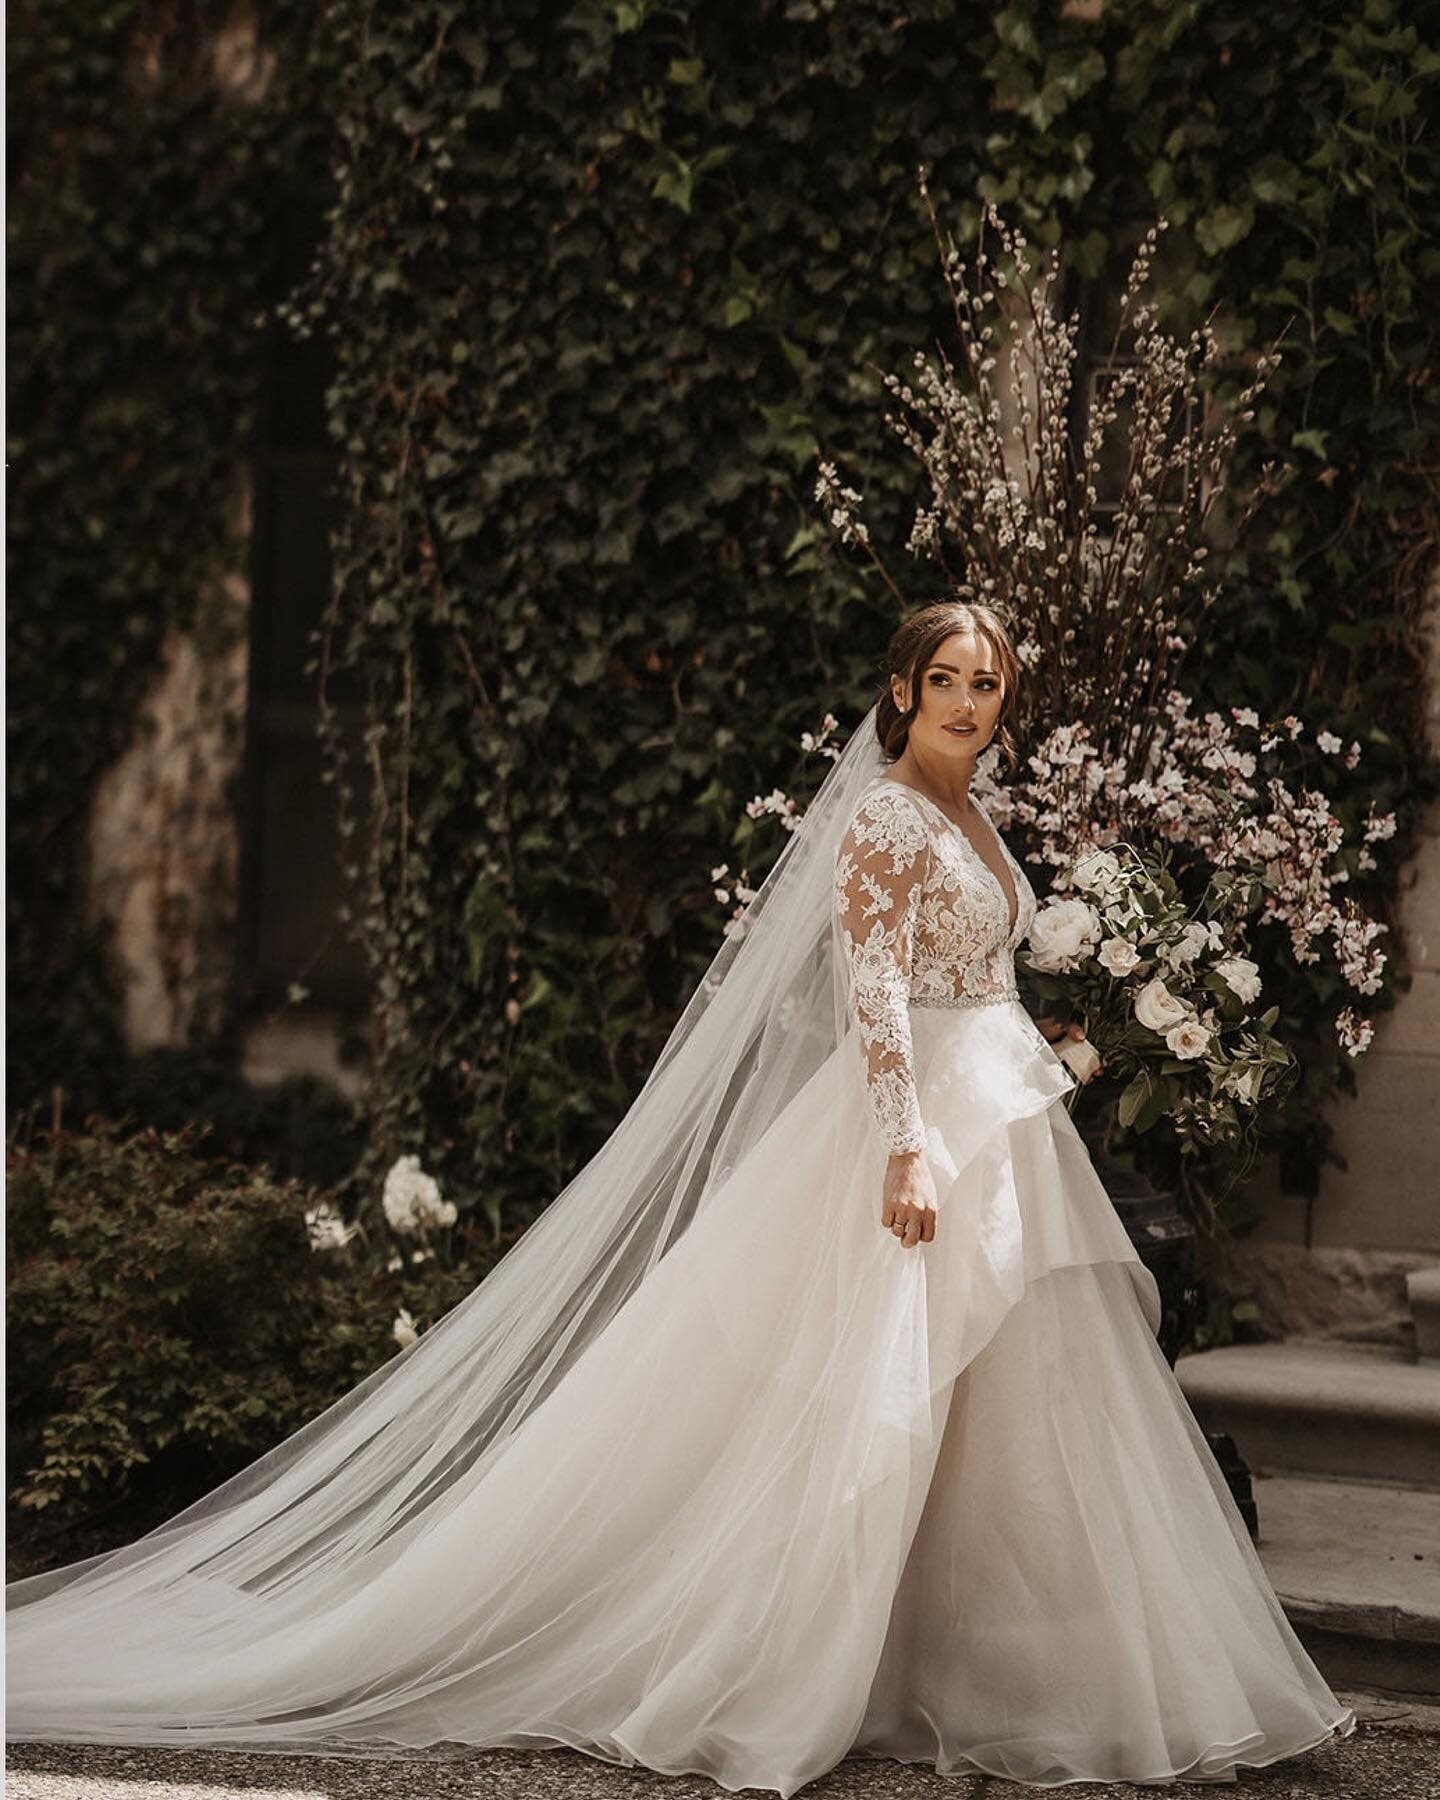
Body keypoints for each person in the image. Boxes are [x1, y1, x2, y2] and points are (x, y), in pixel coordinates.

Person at [7, 600, 1356, 1793]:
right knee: (881, 1380)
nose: (967, 700)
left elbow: (979, 979)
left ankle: (1007, 1668)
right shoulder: (887, 814)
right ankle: (794, 1659)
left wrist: (1061, 1048)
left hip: (995, 1106)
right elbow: (873, 988)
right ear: (903, 691)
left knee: (1025, 1384)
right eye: (947, 678)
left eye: (988, 683)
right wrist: (902, 1146)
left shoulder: (973, 814)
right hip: (914, 1124)